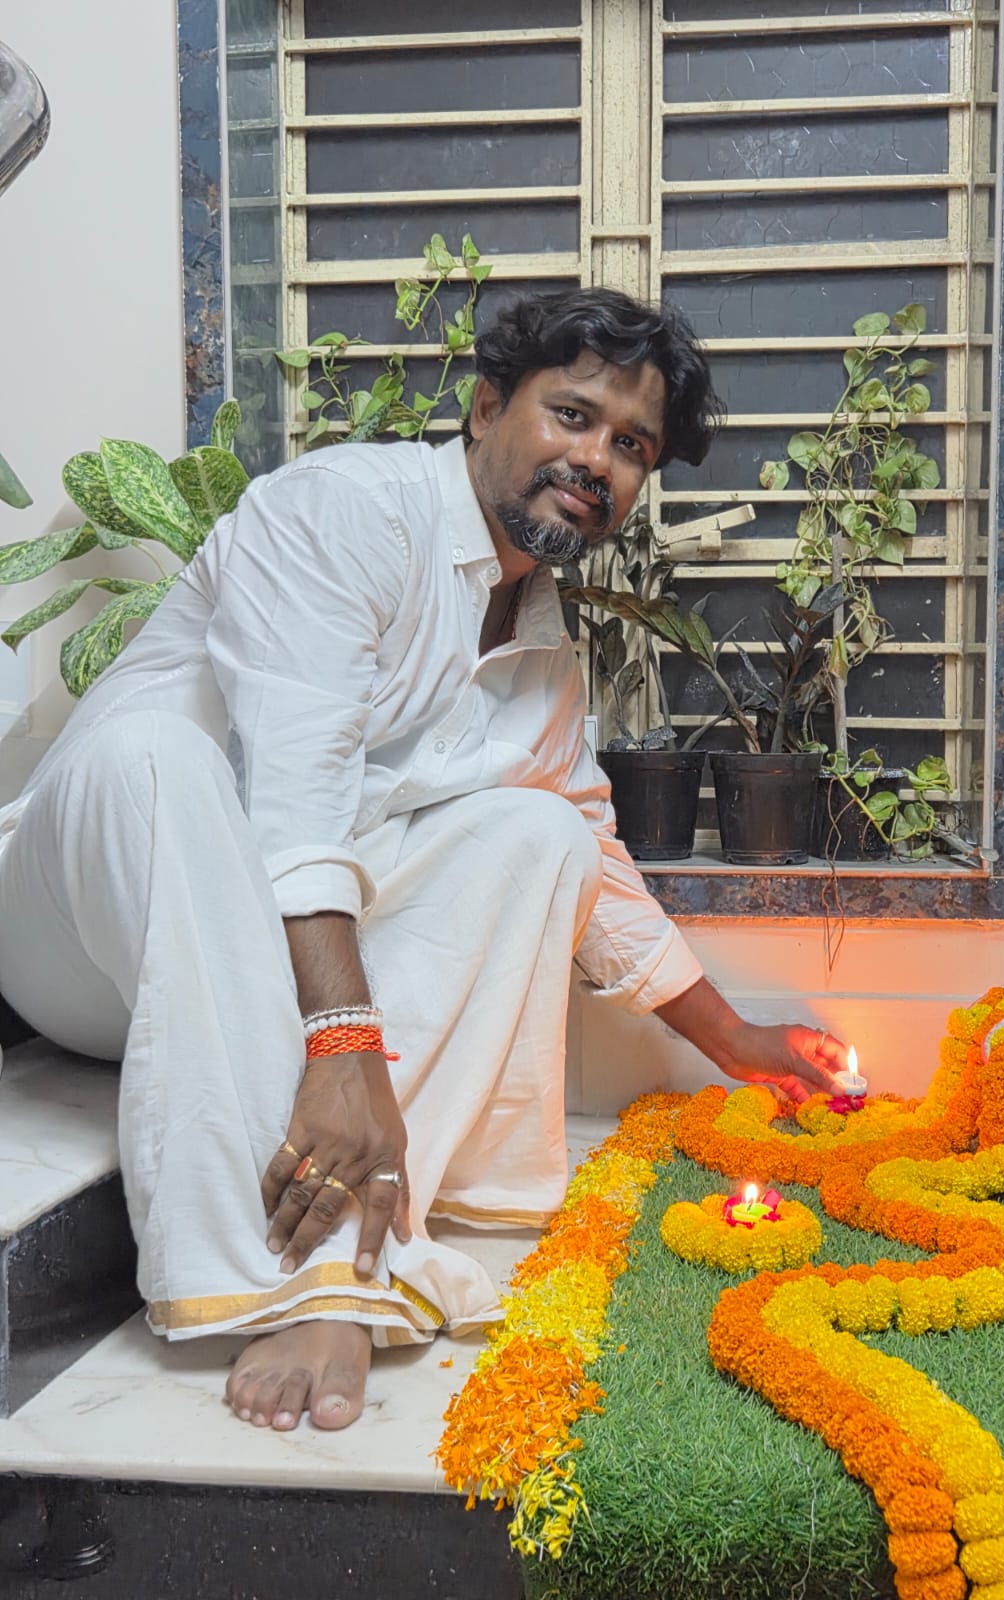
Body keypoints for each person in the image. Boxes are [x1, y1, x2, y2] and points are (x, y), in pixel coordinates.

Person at [0, 287, 849, 1434]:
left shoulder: (541, 651)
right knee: (157, 754)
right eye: (572, 415)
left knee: (539, 833)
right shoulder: (345, 512)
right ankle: (295, 1278)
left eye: (631, 446)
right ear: (488, 407)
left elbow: (595, 861)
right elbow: (294, 790)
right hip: (81, 932)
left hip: (257, 957)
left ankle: (371, 1219)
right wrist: (344, 1044)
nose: (596, 459)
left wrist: (737, 1039)